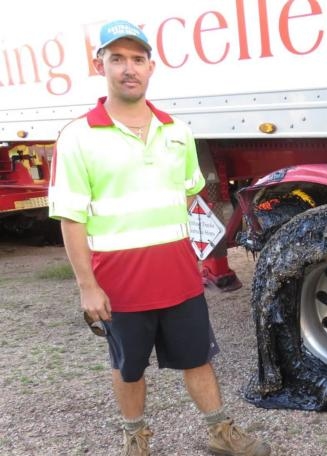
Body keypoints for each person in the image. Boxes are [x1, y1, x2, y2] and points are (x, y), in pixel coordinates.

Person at [48, 19, 272, 456]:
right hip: (119, 282)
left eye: (137, 59)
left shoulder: (176, 132)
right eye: (117, 59)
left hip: (179, 277)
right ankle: (136, 440)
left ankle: (220, 433)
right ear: (101, 66)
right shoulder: (77, 137)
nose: (128, 68)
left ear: (151, 66)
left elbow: (191, 200)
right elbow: (71, 219)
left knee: (198, 358)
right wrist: (87, 287)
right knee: (128, 368)